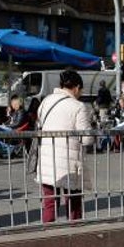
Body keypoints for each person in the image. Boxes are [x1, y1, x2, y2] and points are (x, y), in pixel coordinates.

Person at [37, 69, 94, 224]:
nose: (80, 93)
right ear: (76, 87)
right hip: (70, 163)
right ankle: (74, 237)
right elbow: (87, 139)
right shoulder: (78, 106)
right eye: (80, 90)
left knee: (49, 203)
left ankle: (47, 237)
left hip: (47, 161)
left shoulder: (46, 101)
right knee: (73, 204)